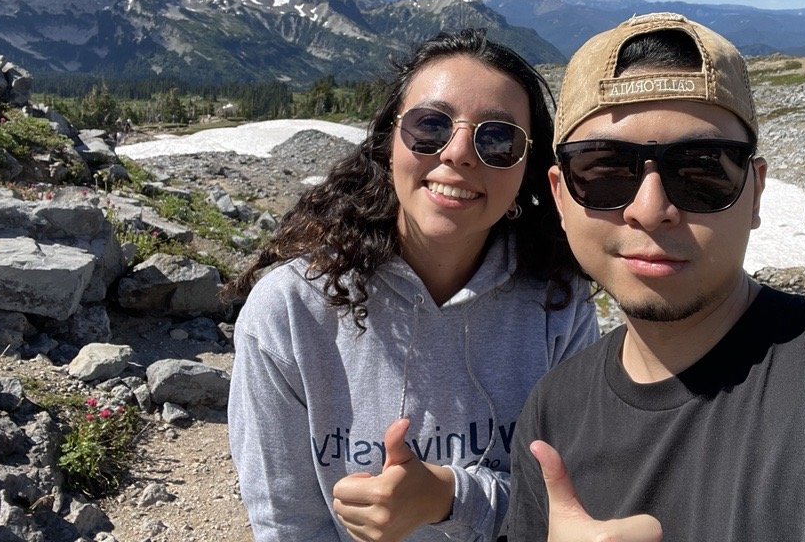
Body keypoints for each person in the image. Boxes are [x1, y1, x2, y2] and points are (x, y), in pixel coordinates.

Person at [502, 12, 805, 542]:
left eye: (701, 168)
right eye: (604, 168)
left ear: (755, 192)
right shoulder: (551, 414)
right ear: (559, 196)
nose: (651, 207)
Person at [225, 28, 599, 542]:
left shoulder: (559, 303)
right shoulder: (288, 311)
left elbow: (568, 505)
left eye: (497, 139)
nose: (459, 154)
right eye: (431, 126)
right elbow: (285, 522)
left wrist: (448, 497)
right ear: (388, 143)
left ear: (526, 170)